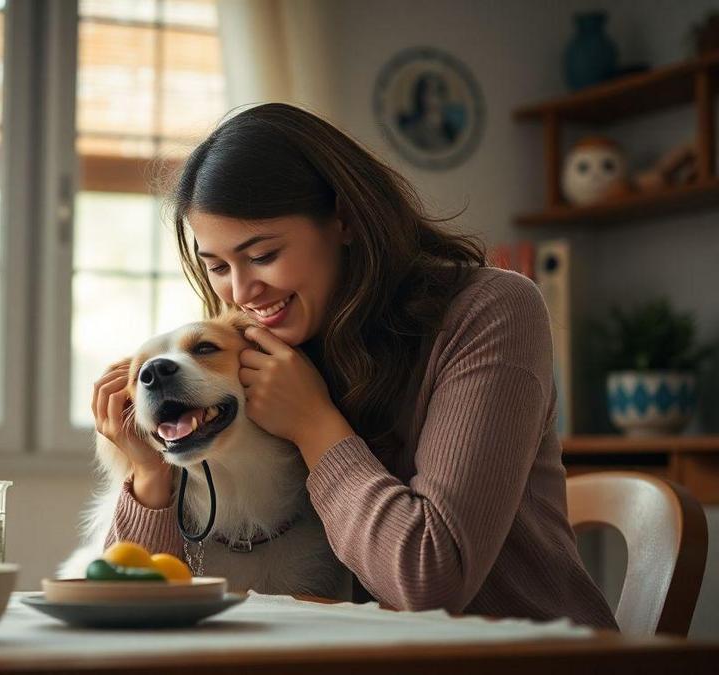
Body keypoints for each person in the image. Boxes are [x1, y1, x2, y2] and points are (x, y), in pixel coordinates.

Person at [92, 103, 617, 630]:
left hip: (527, 656)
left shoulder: (492, 309)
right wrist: (150, 471)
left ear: (343, 219)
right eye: (218, 268)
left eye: (263, 254)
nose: (242, 292)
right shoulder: (274, 349)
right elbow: (127, 610)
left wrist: (314, 423)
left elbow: (429, 580)